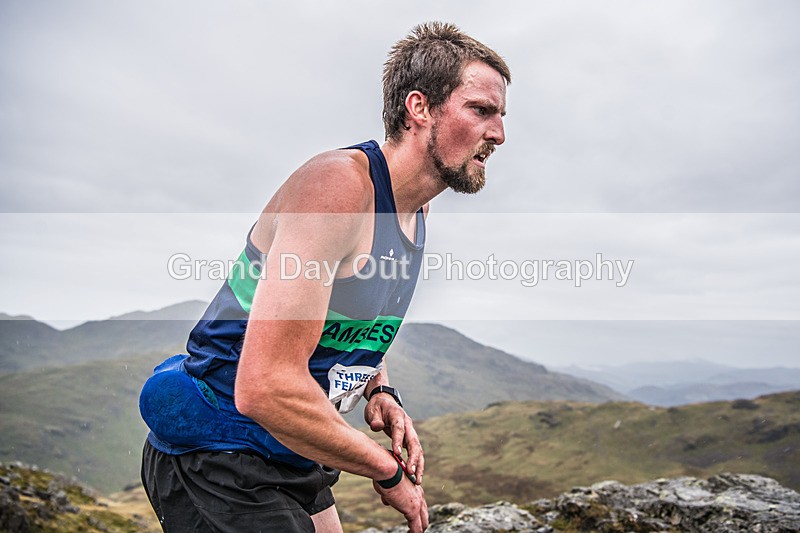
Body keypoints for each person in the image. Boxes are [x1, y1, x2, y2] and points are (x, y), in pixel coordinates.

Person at [139, 21, 510, 533]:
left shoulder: (415, 211)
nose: (499, 134)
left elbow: (348, 321)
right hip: (217, 447)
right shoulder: (337, 189)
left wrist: (380, 390)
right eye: (481, 110)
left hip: (291, 448)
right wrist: (386, 471)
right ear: (419, 108)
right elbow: (264, 386)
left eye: (501, 116)